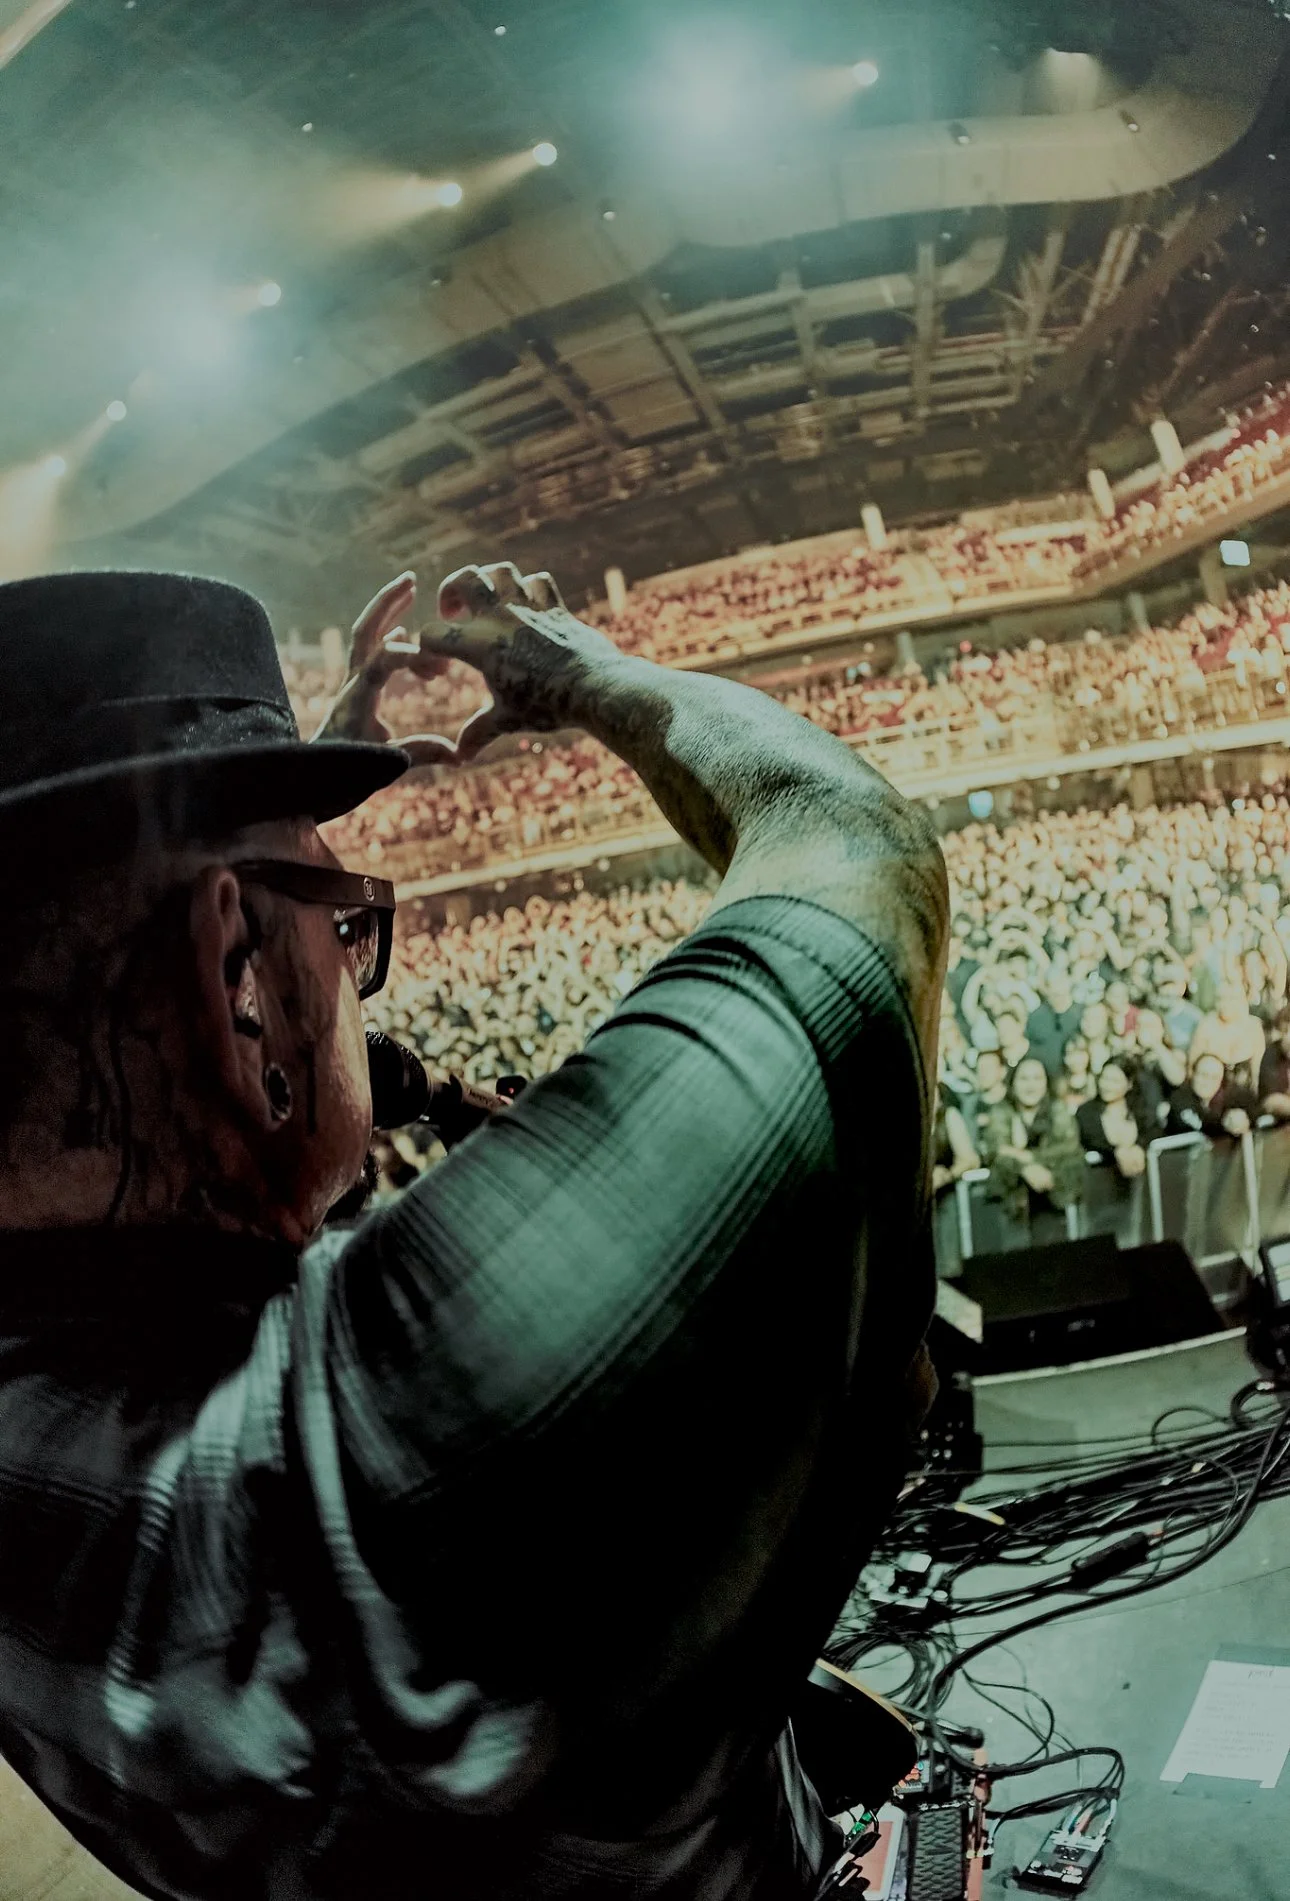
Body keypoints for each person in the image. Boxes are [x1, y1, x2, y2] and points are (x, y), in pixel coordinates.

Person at [0, 562, 946, 1901]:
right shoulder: (409, 1416)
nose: (360, 966)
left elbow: (178, 1104)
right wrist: (587, 676)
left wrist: (268, 858)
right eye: (347, 928)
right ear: (234, 987)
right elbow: (853, 843)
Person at [976, 1055, 1085, 1226]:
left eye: (1037, 1078)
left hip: (1055, 1205)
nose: (1030, 1085)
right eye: (1024, 1079)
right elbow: (996, 1151)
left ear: (1046, 1083)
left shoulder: (1058, 1110)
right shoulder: (1000, 1111)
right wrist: (1025, 1169)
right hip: (1011, 1210)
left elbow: (1069, 1148)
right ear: (1013, 1083)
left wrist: (1028, 1158)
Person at [1076, 1061, 1148, 1180]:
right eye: (1104, 1079)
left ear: (1129, 1084)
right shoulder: (1086, 1112)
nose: (1107, 1086)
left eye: (1115, 1081)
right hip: (1100, 1183)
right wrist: (1115, 1152)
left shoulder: (1140, 1110)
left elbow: (1152, 1132)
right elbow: (1090, 1139)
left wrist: (1140, 1148)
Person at [1167, 1051, 1259, 1139]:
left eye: (1214, 1077)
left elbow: (1255, 1113)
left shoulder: (1232, 1097)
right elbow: (1189, 1126)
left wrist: (1243, 1120)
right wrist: (1224, 1123)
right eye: (1204, 1075)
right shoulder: (1180, 1097)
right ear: (1193, 1074)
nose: (1208, 1082)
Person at [1025, 969, 1082, 1079]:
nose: (1057, 989)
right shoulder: (1035, 1017)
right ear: (1046, 989)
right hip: (1045, 1081)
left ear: (1069, 984)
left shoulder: (1082, 1014)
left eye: (1061, 982)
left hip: (1074, 1079)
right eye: (1052, 985)